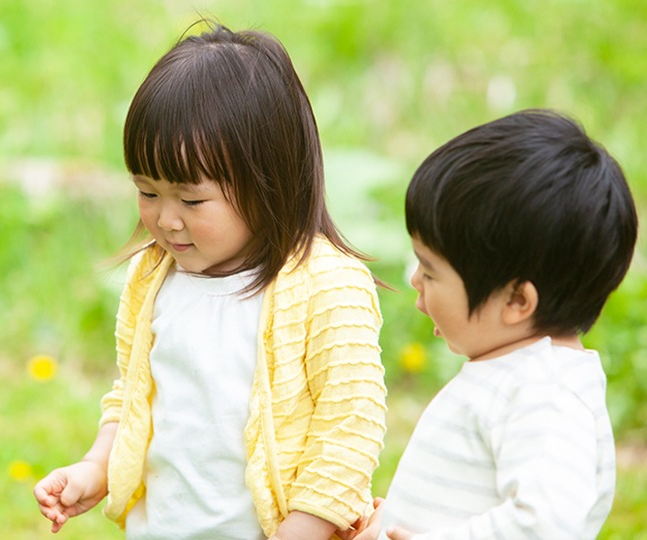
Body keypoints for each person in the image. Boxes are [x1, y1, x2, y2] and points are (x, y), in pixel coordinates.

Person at [33, 21, 388, 540]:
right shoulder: (153, 275)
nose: (167, 220)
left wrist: (303, 531)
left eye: (192, 200)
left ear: (269, 180)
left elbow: (349, 430)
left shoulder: (326, 287)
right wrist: (95, 468)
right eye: (147, 192)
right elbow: (134, 396)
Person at [346, 109, 638, 540]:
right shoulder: (516, 375)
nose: (414, 281)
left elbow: (546, 524)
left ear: (517, 300)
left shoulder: (546, 391)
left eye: (429, 270)